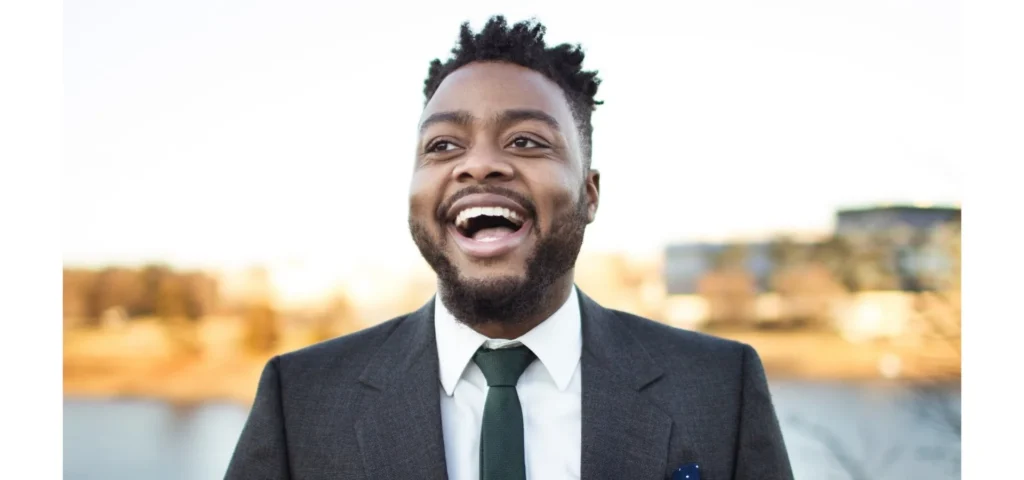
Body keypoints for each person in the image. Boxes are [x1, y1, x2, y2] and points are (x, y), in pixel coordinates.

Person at [225, 15, 793, 480]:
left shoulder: (721, 387)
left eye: (525, 141)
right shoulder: (298, 401)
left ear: (589, 194)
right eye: (444, 144)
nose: (478, 164)